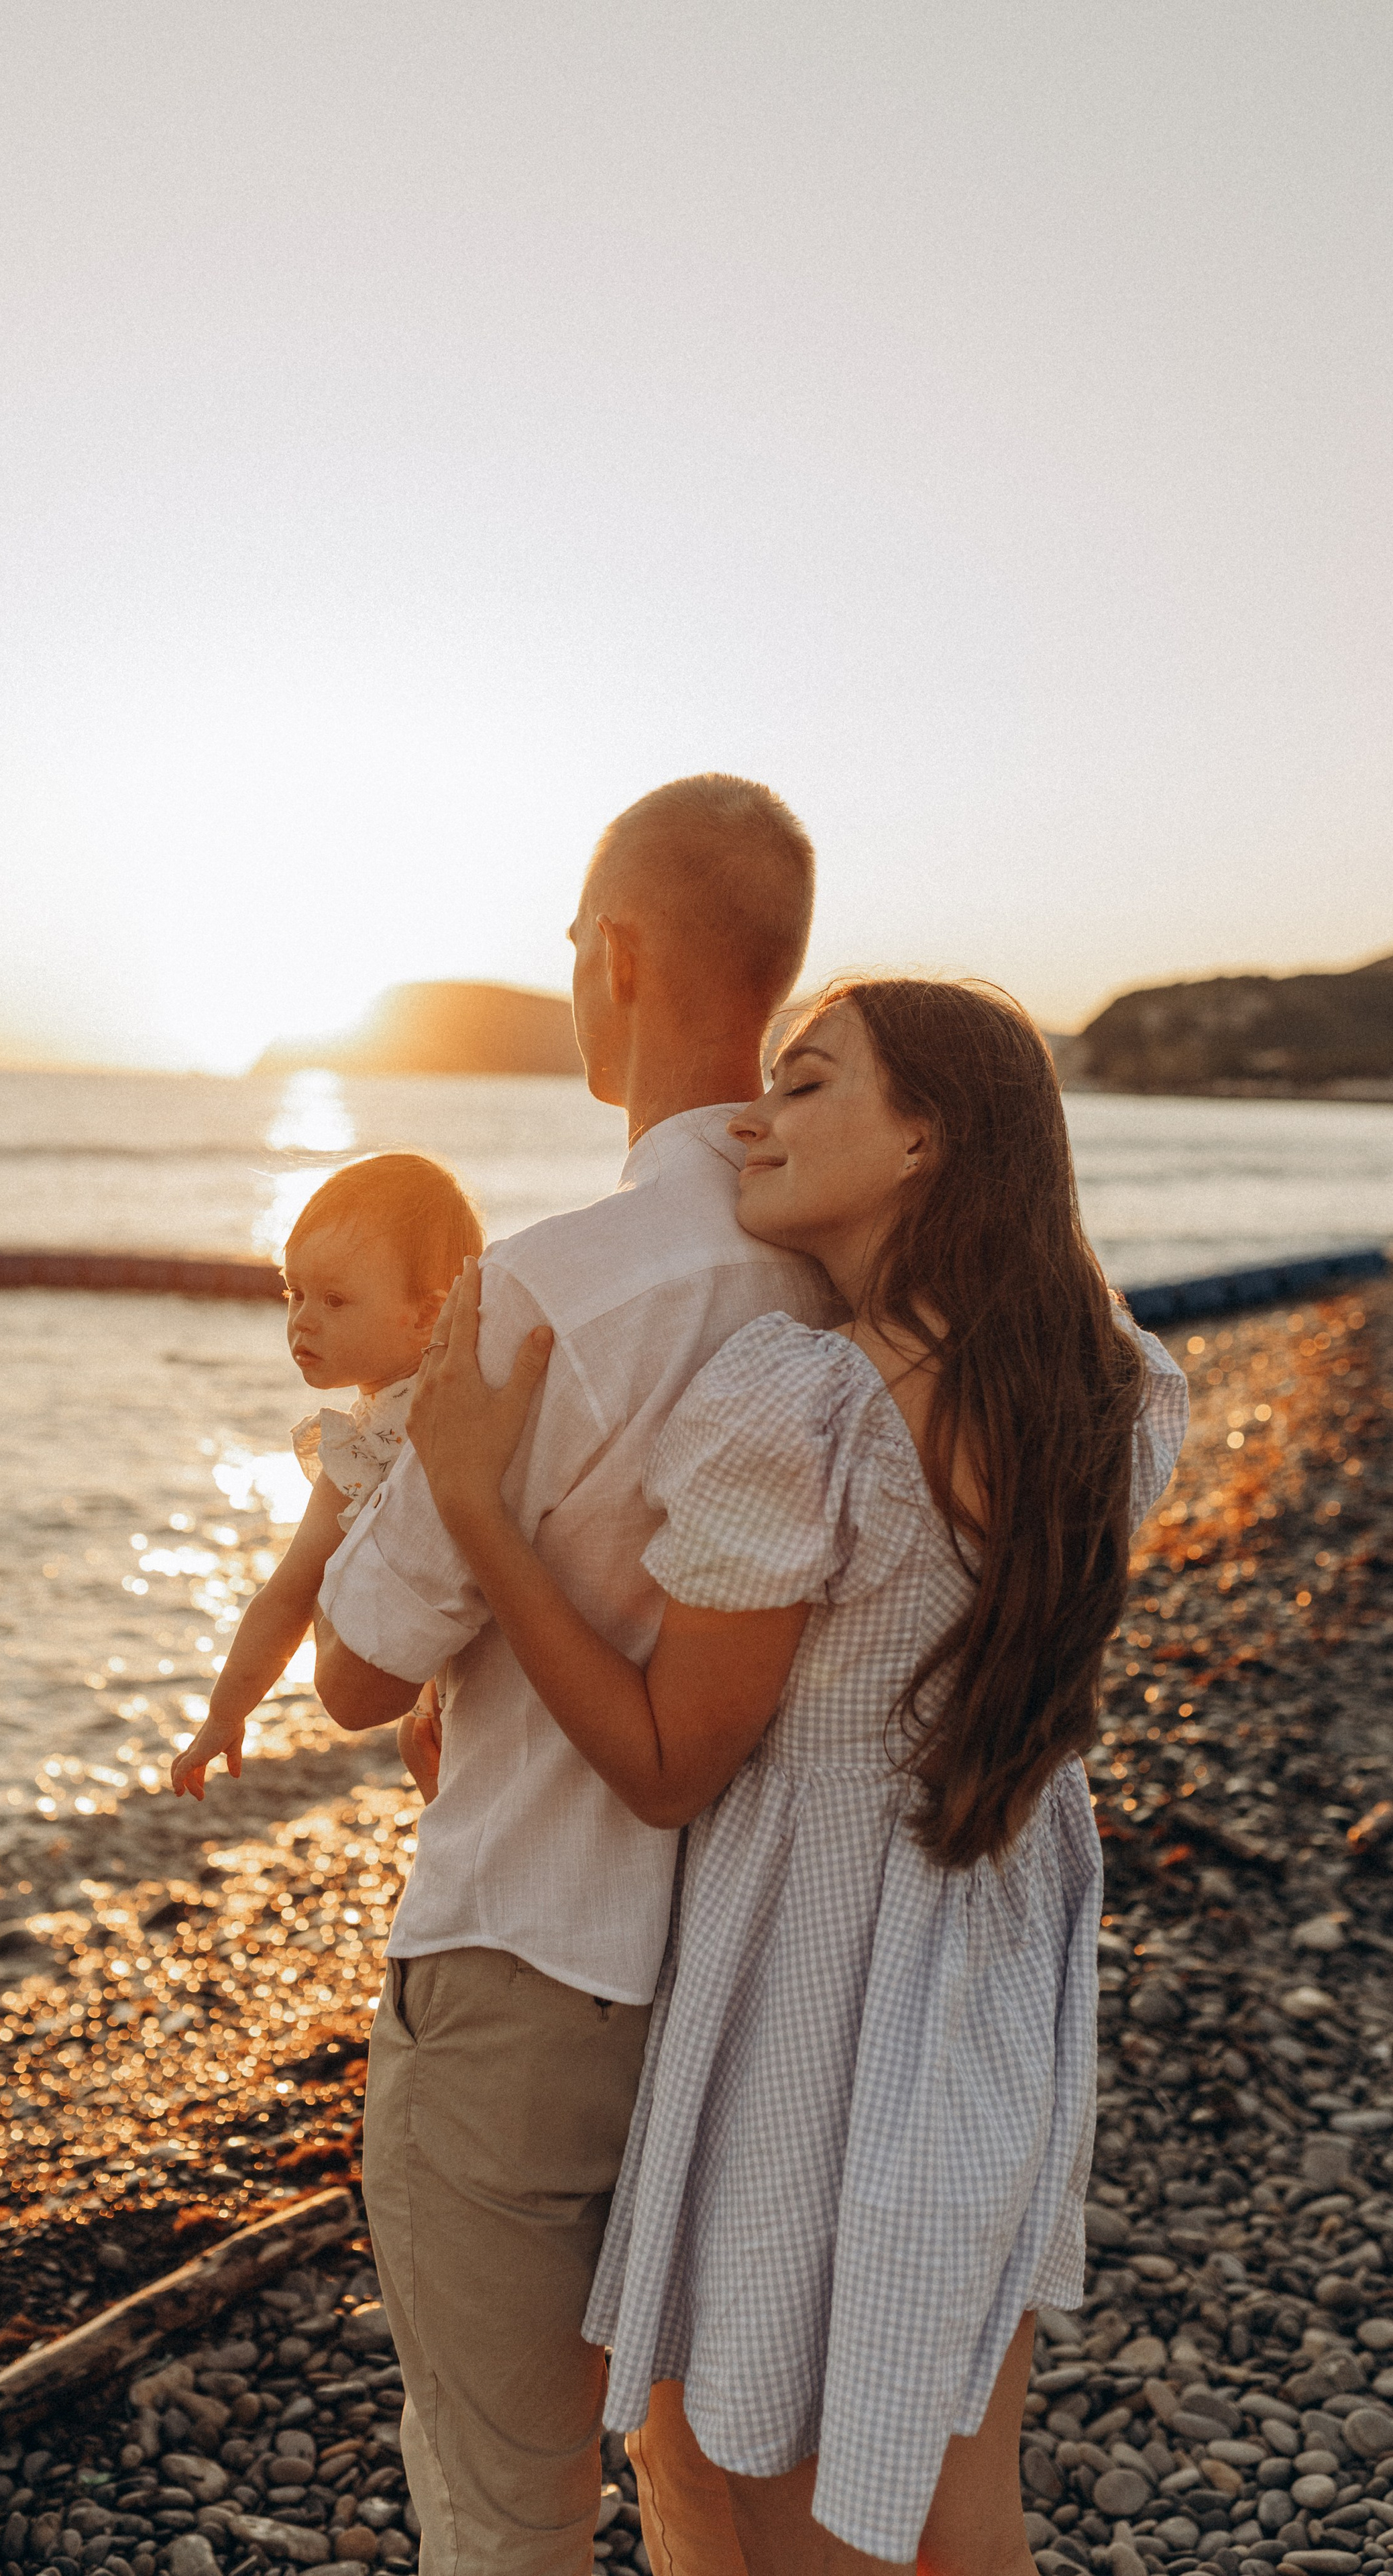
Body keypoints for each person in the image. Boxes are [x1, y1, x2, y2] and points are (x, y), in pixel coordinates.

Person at [404, 976, 1190, 2576]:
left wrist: (476, 1512)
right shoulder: (1104, 1384)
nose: (751, 1119)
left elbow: (665, 1760)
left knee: (780, 2486)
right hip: (993, 1951)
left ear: (922, 1136)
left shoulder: (805, 1401)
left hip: (820, 1964)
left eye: (806, 1082)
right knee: (952, 2476)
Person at [314, 774, 830, 2576]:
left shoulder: (547, 1291)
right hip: (767, 1990)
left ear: (614, 958)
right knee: (714, 2495)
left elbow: (364, 1670)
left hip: (529, 1968)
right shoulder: (850, 1272)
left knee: (506, 2511)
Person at [170, 1152, 480, 1805]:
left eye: (335, 1299)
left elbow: (288, 1592)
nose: (302, 1320)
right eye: (294, 1292)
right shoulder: (476, 1386)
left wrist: (225, 1714)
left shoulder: (372, 1443)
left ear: (426, 1314)